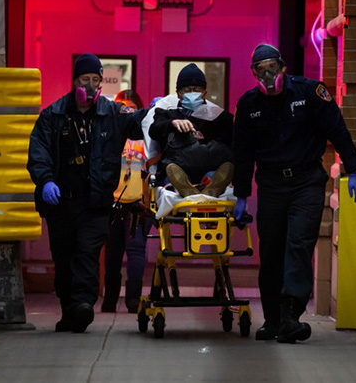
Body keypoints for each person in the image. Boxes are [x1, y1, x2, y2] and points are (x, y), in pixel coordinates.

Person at [232, 43, 356, 343]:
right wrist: (240, 195)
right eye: (260, 70)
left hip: (306, 182)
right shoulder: (249, 105)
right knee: (271, 251)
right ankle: (272, 320)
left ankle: (290, 316)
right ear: (253, 74)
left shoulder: (310, 93)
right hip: (271, 185)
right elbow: (242, 153)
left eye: (271, 67)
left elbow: (337, 129)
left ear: (282, 67)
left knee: (298, 244)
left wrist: (353, 170)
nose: (267, 75)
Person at [27, 53, 148, 333]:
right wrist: (46, 181)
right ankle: (69, 309)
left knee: (87, 252)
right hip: (61, 204)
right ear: (74, 82)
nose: (91, 85)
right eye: (85, 79)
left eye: (96, 79)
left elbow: (137, 124)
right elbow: (39, 152)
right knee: (64, 256)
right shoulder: (53, 115)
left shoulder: (112, 113)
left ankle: (83, 303)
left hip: (95, 202)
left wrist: (156, 111)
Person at [148, 63, 235, 198]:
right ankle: (192, 189)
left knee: (214, 175)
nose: (192, 93)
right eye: (187, 90)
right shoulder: (166, 114)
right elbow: (154, 130)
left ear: (205, 93)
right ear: (178, 93)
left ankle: (204, 188)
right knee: (175, 177)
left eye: (197, 90)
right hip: (179, 169)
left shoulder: (220, 117)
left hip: (210, 168)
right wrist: (172, 123)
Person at [101, 90, 150, 314]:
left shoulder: (145, 136)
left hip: (138, 201)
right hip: (113, 200)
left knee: (136, 249)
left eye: (131, 108)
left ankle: (133, 299)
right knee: (112, 252)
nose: (127, 112)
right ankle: (110, 299)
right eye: (123, 108)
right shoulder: (111, 133)